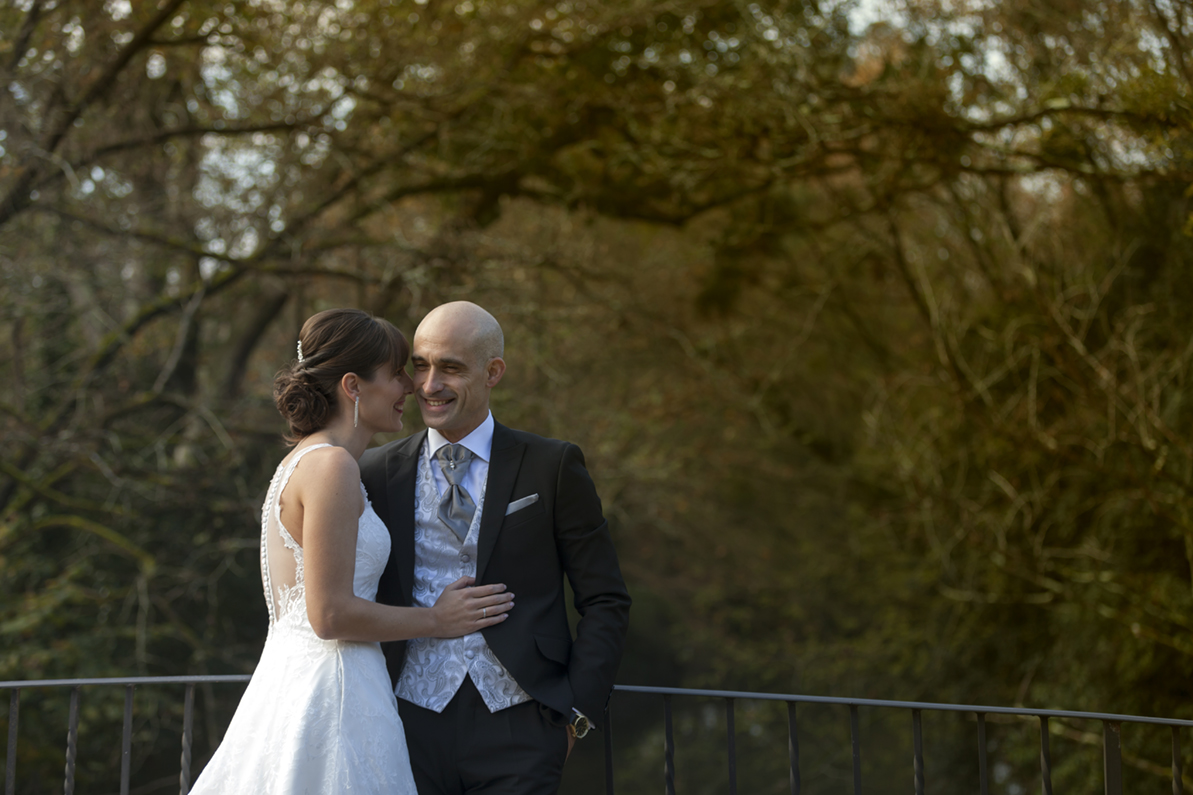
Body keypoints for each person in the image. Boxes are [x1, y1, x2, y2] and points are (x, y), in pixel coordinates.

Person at [190, 308, 515, 794]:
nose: (411, 386)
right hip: (334, 692)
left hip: (299, 685)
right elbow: (329, 615)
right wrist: (437, 620)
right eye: (396, 373)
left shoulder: (305, 461)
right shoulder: (333, 468)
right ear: (353, 386)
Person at [359, 301, 632, 795]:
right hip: (406, 720)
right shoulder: (375, 471)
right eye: (420, 365)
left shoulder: (552, 465)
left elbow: (605, 598)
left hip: (523, 726)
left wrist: (577, 716)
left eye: (451, 368)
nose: (429, 384)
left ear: (493, 372)